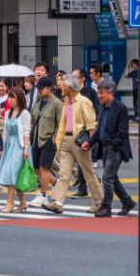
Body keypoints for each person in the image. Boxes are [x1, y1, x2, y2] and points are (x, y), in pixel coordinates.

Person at [42, 75, 103, 215]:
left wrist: (90, 142)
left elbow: (91, 125)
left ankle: (98, 201)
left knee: (88, 173)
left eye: (63, 86)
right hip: (66, 140)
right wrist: (59, 138)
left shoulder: (84, 102)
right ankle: (57, 202)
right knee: (64, 173)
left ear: (69, 88)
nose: (60, 88)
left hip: (80, 140)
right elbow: (63, 122)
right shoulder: (66, 101)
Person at [82, 81, 135, 217]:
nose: (99, 96)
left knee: (107, 178)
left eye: (102, 93)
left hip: (115, 148)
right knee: (112, 178)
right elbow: (100, 129)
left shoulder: (120, 108)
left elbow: (123, 131)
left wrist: (114, 145)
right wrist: (90, 142)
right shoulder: (103, 107)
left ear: (110, 93)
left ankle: (107, 207)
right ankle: (127, 201)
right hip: (105, 147)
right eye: (99, 92)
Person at [28, 77, 62, 208]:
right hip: (36, 137)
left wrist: (55, 137)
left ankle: (42, 195)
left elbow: (61, 123)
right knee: (36, 168)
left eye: (41, 89)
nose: (39, 91)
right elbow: (33, 117)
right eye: (38, 88)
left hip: (48, 139)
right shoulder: (38, 100)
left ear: (49, 88)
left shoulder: (57, 103)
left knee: (44, 168)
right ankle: (55, 184)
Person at [0, 87, 31, 213]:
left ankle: (9, 203)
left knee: (12, 173)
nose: (9, 100)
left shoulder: (24, 114)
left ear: (19, 99)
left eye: (12, 97)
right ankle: (22, 203)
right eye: (9, 97)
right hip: (9, 145)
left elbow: (27, 132)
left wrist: (26, 148)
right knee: (13, 175)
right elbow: (5, 131)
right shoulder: (7, 113)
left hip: (19, 146)